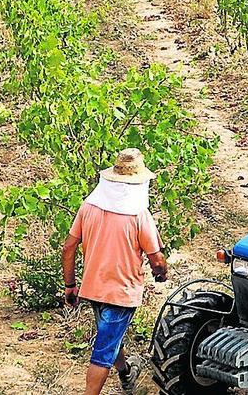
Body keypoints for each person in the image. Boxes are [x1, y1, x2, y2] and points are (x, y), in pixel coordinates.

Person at [62, 148, 169, 395]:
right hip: (121, 293)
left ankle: (126, 374)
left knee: (110, 336)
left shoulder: (89, 206)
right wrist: (161, 272)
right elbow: (156, 258)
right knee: (102, 352)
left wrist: (70, 286)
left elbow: (69, 248)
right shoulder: (139, 215)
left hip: (93, 288)